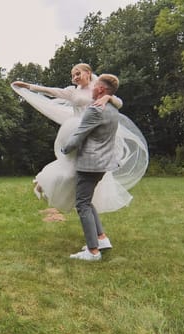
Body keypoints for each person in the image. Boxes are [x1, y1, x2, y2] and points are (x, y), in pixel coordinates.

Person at [11, 63, 147, 251]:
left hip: (89, 135)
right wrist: (27, 86)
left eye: (77, 73)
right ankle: (101, 237)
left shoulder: (98, 89)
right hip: (76, 131)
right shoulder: (72, 92)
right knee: (74, 177)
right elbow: (51, 91)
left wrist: (108, 96)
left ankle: (44, 182)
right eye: (72, 75)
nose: (74, 77)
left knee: (76, 184)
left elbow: (119, 102)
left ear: (88, 74)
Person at [61, 74, 122, 261]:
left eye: (95, 86)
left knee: (82, 204)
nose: (93, 88)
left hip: (90, 163)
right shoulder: (113, 108)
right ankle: (101, 238)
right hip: (103, 162)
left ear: (101, 90)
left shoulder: (95, 109)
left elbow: (79, 136)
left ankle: (92, 251)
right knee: (87, 201)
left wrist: (64, 148)